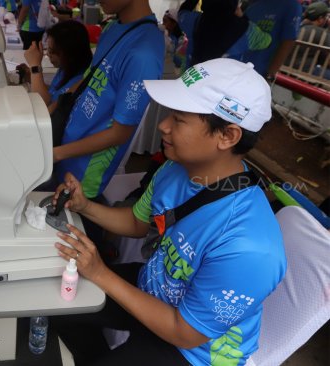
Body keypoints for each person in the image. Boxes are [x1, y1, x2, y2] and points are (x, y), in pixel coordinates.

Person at [52, 58, 286, 366]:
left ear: (227, 136)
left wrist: (100, 273)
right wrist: (85, 207)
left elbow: (185, 332)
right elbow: (138, 222)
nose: (163, 125)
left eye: (178, 119)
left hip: (192, 352)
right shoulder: (175, 169)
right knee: (58, 301)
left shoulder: (250, 247)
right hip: (153, 289)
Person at [52, 0, 164, 248]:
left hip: (84, 170)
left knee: (73, 238)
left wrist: (56, 154)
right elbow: (87, 81)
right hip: (66, 148)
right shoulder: (115, 27)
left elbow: (119, 133)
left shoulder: (143, 53)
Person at [178, 0, 271, 67]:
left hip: (192, 83)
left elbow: (182, 12)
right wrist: (243, 17)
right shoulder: (247, 30)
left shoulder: (194, 20)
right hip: (224, 90)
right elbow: (267, 41)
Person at [19, 20, 92, 105]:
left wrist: (35, 67)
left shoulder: (80, 81)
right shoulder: (66, 68)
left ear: (69, 54)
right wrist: (31, 77)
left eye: (51, 51)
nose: (48, 54)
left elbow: (44, 105)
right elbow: (54, 93)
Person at [244, 0, 302, 80]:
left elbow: (288, 41)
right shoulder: (253, 6)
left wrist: (270, 73)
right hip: (238, 65)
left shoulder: (291, 6)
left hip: (259, 71)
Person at [290, 1, 330, 78]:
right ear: (320, 18)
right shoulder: (321, 33)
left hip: (284, 67)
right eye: (326, 17)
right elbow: (328, 62)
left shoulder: (297, 26)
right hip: (304, 72)